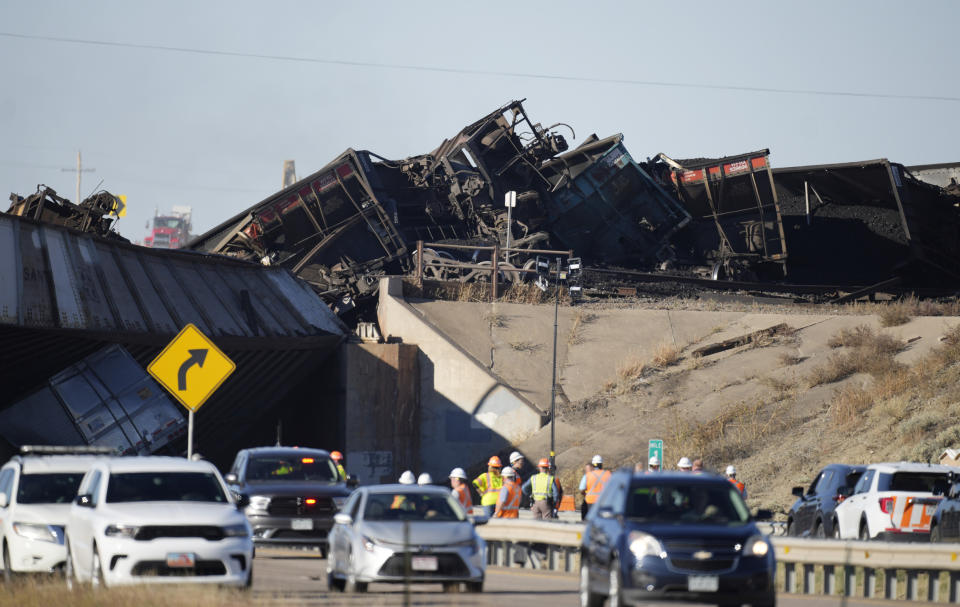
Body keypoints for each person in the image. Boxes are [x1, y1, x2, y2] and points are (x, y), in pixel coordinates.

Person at [579, 455, 611, 520]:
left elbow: (581, 489)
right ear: (601, 465)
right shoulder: (608, 474)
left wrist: (586, 494)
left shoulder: (588, 475)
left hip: (590, 502)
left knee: (590, 520)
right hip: (604, 502)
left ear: (593, 465)